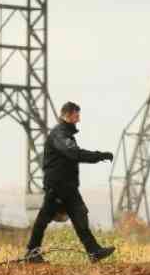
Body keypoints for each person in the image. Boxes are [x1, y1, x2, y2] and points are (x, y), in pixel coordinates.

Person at [25, 101, 116, 263]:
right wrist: (99, 156)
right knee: (44, 217)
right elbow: (74, 153)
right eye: (76, 115)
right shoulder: (59, 134)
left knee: (80, 214)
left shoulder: (66, 134)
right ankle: (32, 253)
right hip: (57, 185)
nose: (78, 119)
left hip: (68, 187)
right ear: (67, 115)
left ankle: (94, 251)